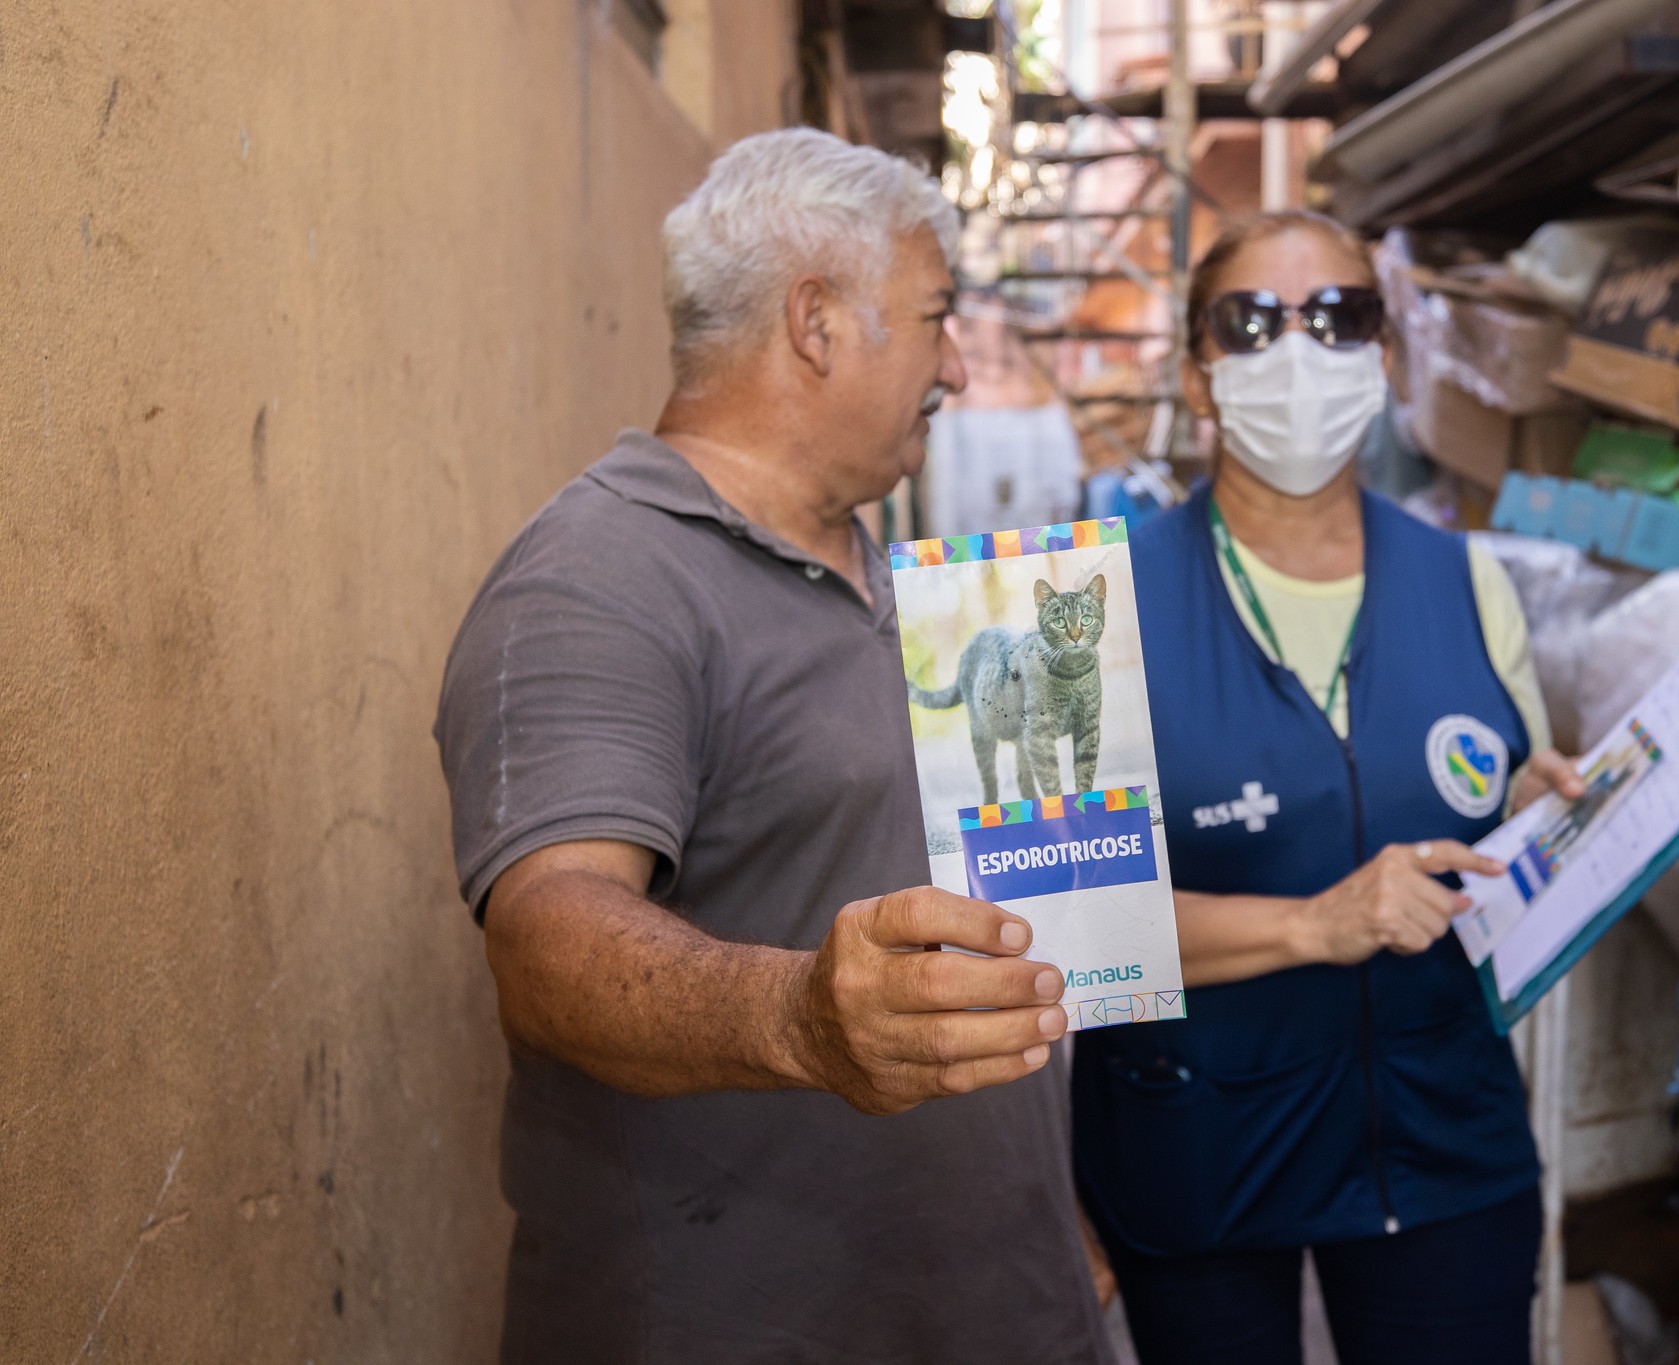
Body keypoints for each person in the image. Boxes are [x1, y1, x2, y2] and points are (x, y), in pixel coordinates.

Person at [435, 128, 1113, 1364]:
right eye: (932, 318)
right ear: (815, 323)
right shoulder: (594, 579)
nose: (954, 364)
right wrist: (800, 1017)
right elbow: (548, 937)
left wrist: (1039, 1199)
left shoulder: (919, 583)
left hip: (997, 1307)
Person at [1070, 210, 1587, 1365]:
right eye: (1250, 322)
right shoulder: (1076, 603)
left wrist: (1535, 814)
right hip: (1192, 1164)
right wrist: (1316, 924)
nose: (1297, 351)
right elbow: (1057, 934)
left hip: (1444, 1157)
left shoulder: (1470, 582)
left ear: (1385, 358)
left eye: (1341, 316)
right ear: (1197, 375)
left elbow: (1490, 839)